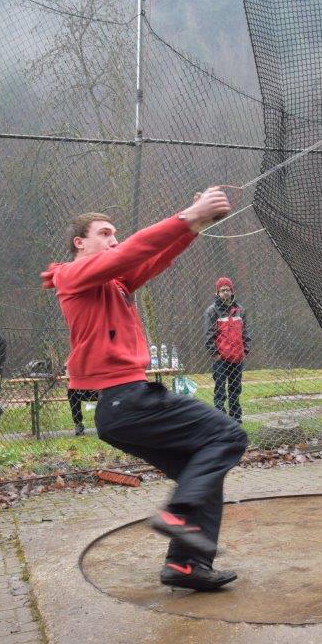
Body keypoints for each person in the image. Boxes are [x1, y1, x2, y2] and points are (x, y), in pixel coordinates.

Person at [41, 188, 247, 591]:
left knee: (202, 472)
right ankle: (176, 513)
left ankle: (186, 567)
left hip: (123, 406)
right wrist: (187, 215)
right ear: (79, 243)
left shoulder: (113, 282)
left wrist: (196, 226)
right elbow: (128, 254)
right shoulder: (71, 275)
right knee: (228, 435)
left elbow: (149, 260)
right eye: (105, 232)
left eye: (116, 233)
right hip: (126, 400)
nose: (114, 239)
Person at [203, 276, 250, 423]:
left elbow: (246, 333)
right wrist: (215, 354)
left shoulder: (240, 310)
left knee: (235, 390)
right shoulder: (212, 311)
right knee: (220, 390)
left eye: (227, 290)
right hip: (221, 359)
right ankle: (220, 420)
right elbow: (208, 335)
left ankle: (236, 419)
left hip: (237, 358)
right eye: (222, 290)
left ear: (232, 291)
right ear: (217, 293)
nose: (225, 293)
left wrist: (245, 351)